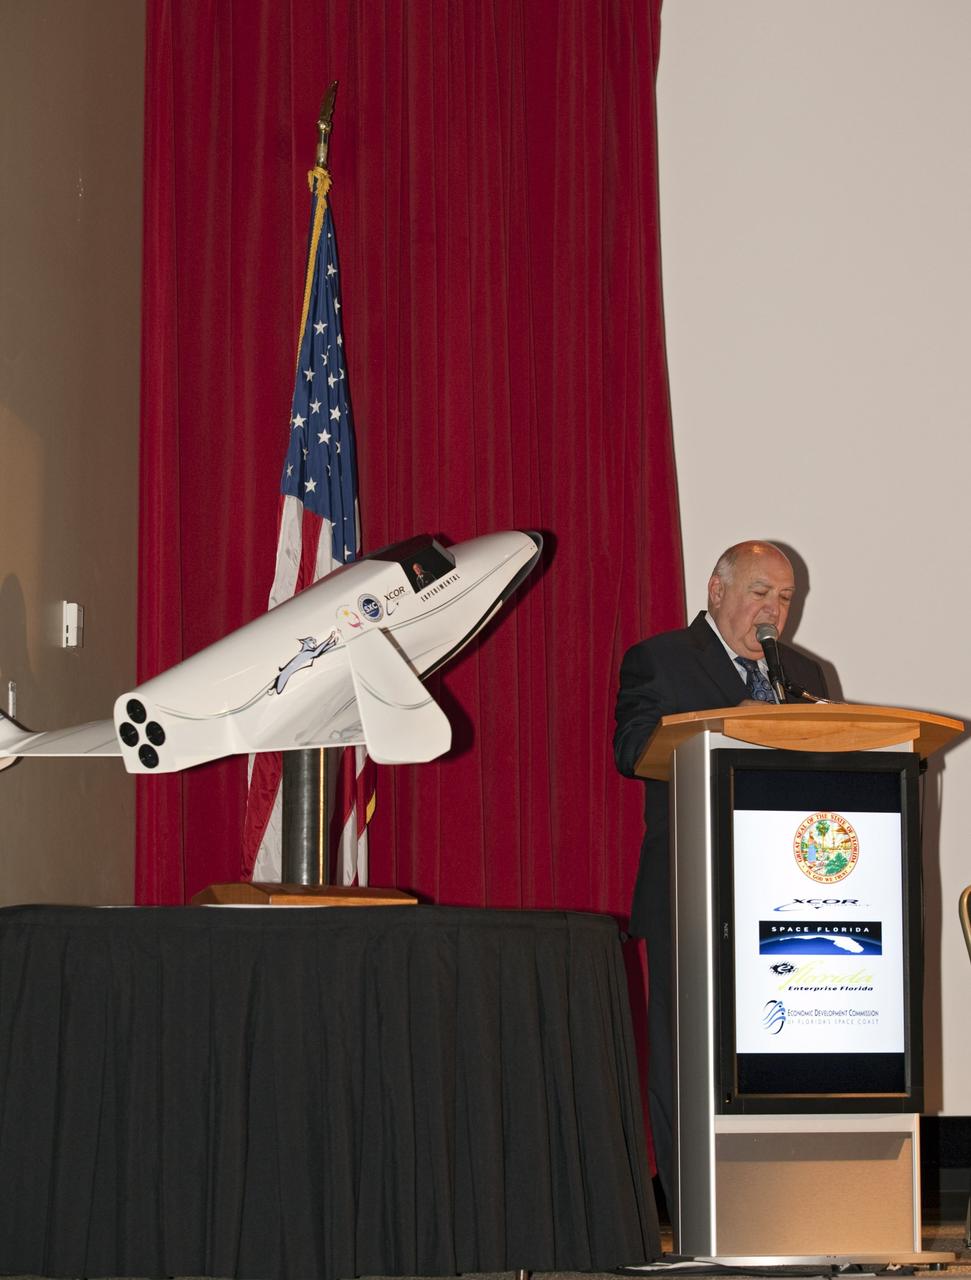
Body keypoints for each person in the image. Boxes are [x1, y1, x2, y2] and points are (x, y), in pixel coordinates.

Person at [613, 540, 829, 1208]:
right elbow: (633, 751)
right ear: (716, 590)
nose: (773, 611)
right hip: (694, 886)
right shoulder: (662, 659)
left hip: (787, 894)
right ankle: (695, 1207)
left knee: (777, 1047)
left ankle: (777, 1201)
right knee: (690, 1057)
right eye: (760, 592)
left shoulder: (802, 672)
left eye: (785, 598)